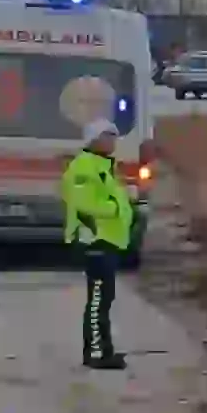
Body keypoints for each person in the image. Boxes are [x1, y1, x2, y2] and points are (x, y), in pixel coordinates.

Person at [62, 124, 136, 371]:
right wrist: (116, 208)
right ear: (94, 139)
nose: (113, 142)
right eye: (108, 137)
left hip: (108, 241)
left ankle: (105, 349)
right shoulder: (83, 168)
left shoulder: (104, 166)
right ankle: (95, 352)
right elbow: (84, 203)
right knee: (97, 299)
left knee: (105, 298)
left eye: (114, 136)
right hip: (94, 240)